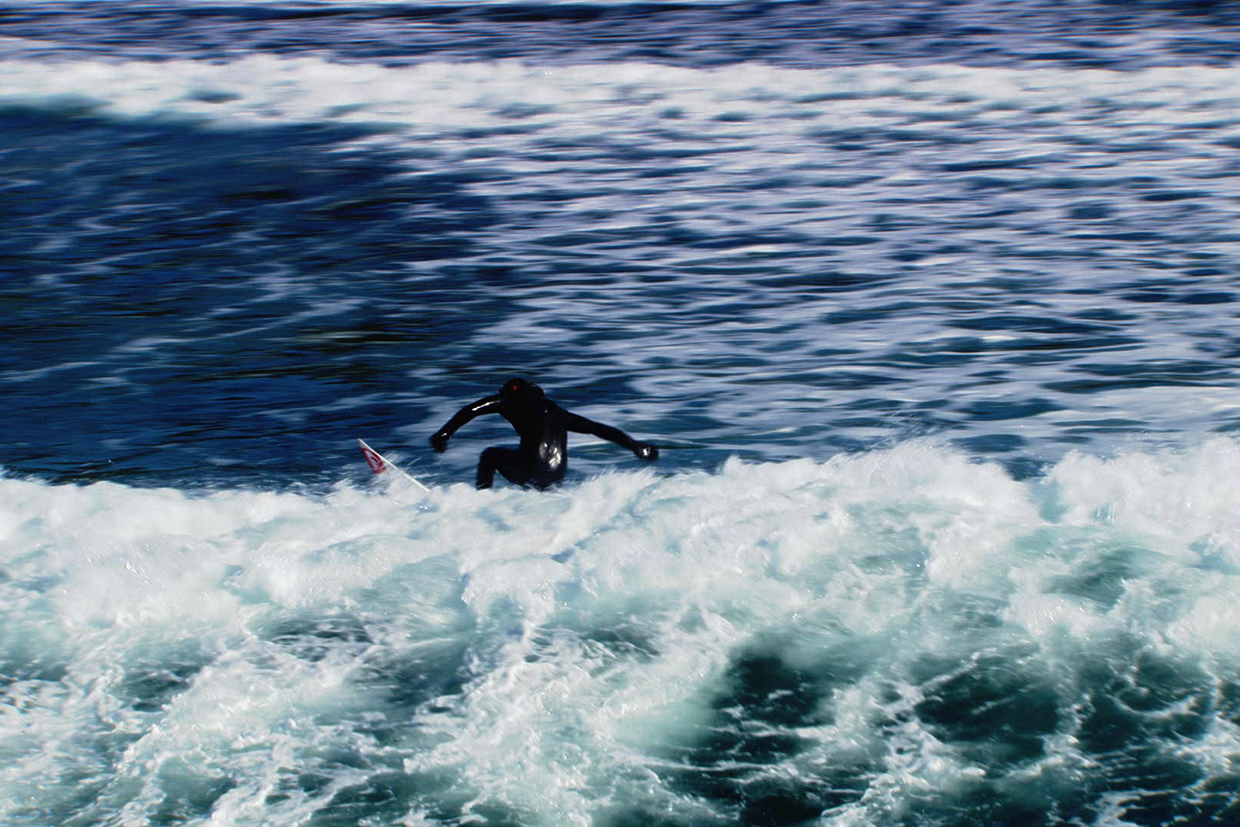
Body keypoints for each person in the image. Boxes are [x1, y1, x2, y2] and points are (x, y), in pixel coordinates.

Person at [430, 378, 659, 489]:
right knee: (535, 480)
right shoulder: (559, 413)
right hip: (555, 476)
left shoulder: (508, 400)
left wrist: (444, 434)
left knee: (490, 455)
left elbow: (470, 411)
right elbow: (598, 429)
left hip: (528, 468)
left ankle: (481, 501)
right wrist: (634, 445)